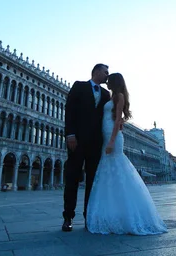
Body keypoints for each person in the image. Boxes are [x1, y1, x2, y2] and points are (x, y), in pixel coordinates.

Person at [86, 73, 167, 235]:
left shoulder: (119, 96)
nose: (106, 83)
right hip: (107, 134)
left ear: (115, 82)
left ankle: (127, 215)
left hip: (112, 137)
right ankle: (114, 213)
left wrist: (111, 141)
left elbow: (117, 120)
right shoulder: (113, 96)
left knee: (116, 168)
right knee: (110, 173)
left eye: (109, 81)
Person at [62, 63, 111, 232]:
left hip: (96, 143)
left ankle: (88, 217)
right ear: (96, 72)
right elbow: (69, 110)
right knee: (72, 177)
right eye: (105, 72)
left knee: (92, 180)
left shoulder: (106, 94)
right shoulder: (79, 86)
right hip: (77, 140)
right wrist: (70, 134)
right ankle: (68, 217)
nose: (107, 75)